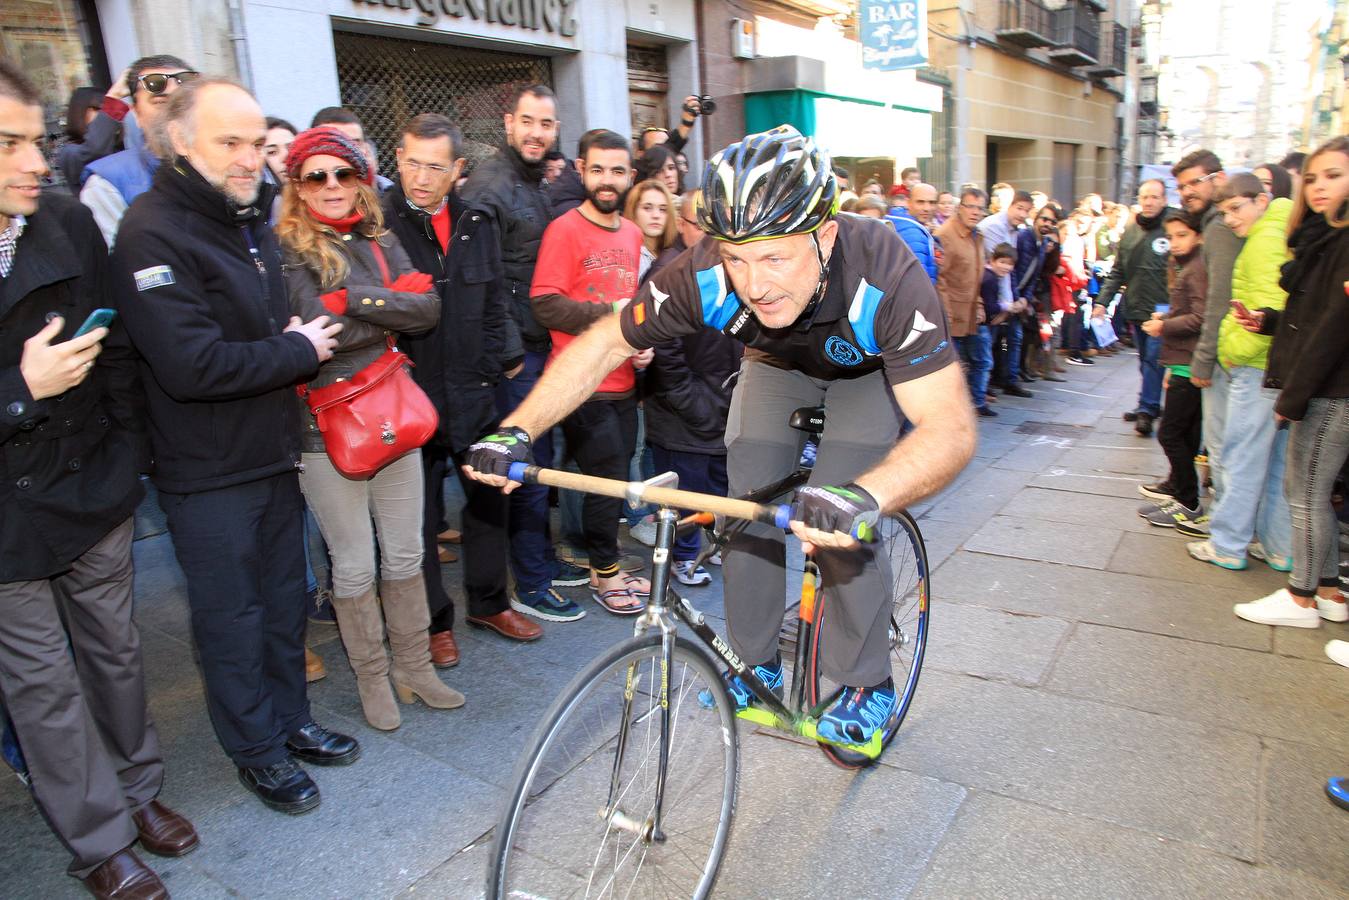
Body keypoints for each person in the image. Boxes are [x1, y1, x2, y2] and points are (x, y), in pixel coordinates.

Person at [465, 125, 974, 747]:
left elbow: (949, 428)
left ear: (827, 235)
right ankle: (753, 658)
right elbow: (606, 342)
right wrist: (517, 430)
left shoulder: (884, 274)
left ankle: (868, 682)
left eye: (776, 257)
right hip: (775, 367)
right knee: (746, 505)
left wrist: (864, 498)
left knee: (842, 522)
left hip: (863, 376)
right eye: (737, 257)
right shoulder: (702, 272)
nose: (754, 284)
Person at [113, 77, 358, 815]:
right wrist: (297, 351)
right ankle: (256, 752)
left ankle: (292, 723)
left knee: (284, 604)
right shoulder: (150, 232)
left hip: (269, 453)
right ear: (180, 141)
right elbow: (192, 365)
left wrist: (284, 345)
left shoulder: (247, 221)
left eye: (256, 143)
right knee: (232, 621)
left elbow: (253, 333)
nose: (250, 157)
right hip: (204, 472)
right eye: (230, 142)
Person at [0, 60, 198, 900]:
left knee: (116, 654)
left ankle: (139, 790)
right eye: (6, 144)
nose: (34, 162)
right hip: (6, 513)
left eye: (35, 140)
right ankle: (100, 840)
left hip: (92, 481)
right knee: (42, 687)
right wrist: (18, 391)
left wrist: (126, 454)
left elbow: (116, 346)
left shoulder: (65, 221)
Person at [277, 126, 465, 731]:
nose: (332, 186)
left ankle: (414, 668)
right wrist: (382, 305)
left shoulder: (380, 237)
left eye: (344, 173)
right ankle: (373, 679)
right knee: (354, 565)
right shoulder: (287, 246)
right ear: (298, 188)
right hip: (323, 427)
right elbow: (315, 334)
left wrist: (347, 300)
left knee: (407, 552)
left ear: (362, 180)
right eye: (317, 176)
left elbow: (430, 310)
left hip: (393, 413)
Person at [382, 115, 541, 654]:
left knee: (487, 498)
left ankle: (491, 603)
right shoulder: (378, 226)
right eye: (412, 163)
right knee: (418, 516)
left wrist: (505, 357)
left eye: (434, 166)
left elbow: (495, 294)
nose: (421, 177)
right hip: (411, 392)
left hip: (476, 388)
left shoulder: (478, 219)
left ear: (457, 170)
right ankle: (434, 623)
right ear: (397, 160)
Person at [462, 85, 587, 625]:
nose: (537, 132)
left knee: (542, 466)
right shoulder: (491, 185)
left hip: (539, 349)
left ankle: (539, 560)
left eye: (547, 124)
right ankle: (531, 584)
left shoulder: (534, 181)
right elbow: (481, 282)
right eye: (528, 122)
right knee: (527, 470)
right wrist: (512, 356)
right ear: (508, 123)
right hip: (517, 358)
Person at [1228, 137, 1349, 632]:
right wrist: (1270, 322)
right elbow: (1315, 314)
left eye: (1334, 175)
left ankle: (1301, 599)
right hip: (1325, 383)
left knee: (1304, 492)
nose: (1319, 187)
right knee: (1308, 490)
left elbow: (1334, 328)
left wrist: (1293, 396)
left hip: (1333, 388)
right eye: (1314, 177)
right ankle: (1326, 592)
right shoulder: (1324, 237)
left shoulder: (1341, 240)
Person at [528, 129, 651, 614]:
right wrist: (607, 317)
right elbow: (544, 304)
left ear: (630, 177)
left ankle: (607, 561)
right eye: (597, 169)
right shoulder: (564, 228)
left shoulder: (633, 233)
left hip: (621, 378)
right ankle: (605, 573)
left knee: (616, 480)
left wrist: (639, 346)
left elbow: (632, 307)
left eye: (617, 170)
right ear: (581, 170)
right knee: (608, 475)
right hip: (578, 382)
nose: (607, 180)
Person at [1185, 173, 1293, 573]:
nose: (1229, 220)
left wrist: (1233, 351)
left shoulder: (1264, 240)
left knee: (1241, 457)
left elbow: (1266, 309)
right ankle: (1279, 548)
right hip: (1273, 367)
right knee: (1275, 462)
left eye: (1235, 209)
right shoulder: (1274, 231)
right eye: (1224, 212)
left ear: (1262, 200)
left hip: (1256, 365)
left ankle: (1228, 544)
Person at [1173, 148, 1242, 537]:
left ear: (1218, 177)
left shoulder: (1218, 225)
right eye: (1181, 186)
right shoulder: (1217, 222)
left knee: (1223, 446)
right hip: (1231, 349)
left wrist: (1203, 360)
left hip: (1227, 354)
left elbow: (1221, 299)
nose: (1186, 192)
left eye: (1193, 182)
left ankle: (1226, 531)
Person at [80, 55, 198, 248]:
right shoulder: (108, 186)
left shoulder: (235, 164)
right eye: (160, 102)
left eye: (184, 103)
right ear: (136, 113)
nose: (175, 112)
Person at [1138, 210, 1207, 526]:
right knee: (1185, 434)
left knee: (1170, 433)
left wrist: (1163, 327)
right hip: (1183, 362)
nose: (1176, 243)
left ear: (1198, 236)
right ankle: (1183, 495)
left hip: (1190, 363)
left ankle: (1188, 501)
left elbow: (1200, 317)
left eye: (1183, 236)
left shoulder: (1198, 267)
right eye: (1172, 237)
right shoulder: (1188, 266)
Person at [1095, 179, 1172, 436]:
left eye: (1154, 197)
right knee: (1144, 360)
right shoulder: (1131, 229)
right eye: (1145, 197)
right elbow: (1118, 271)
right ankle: (1148, 401)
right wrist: (1102, 303)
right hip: (1137, 305)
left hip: (1162, 307)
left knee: (1153, 358)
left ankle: (1147, 410)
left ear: (1164, 199)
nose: (1149, 202)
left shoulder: (1173, 227)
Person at [936, 187, 992, 416]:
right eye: (970, 206)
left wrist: (979, 305)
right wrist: (947, 314)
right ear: (960, 208)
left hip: (972, 312)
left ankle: (976, 403)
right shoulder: (945, 234)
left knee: (983, 361)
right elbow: (940, 279)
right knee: (952, 368)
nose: (975, 212)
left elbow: (976, 275)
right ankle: (948, 412)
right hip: (953, 314)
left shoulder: (978, 235)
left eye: (980, 208)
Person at [978, 189, 1034, 397]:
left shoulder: (1015, 230)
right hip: (990, 294)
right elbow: (999, 268)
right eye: (1019, 208)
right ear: (1009, 206)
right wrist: (1007, 307)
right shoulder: (994, 226)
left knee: (1011, 338)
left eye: (1026, 211)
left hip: (1005, 295)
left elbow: (1010, 269)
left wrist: (1017, 301)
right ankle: (987, 385)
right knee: (991, 343)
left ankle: (1007, 378)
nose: (1022, 214)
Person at [1013, 202, 1060, 382]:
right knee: (1003, 340)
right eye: (1044, 219)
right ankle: (1005, 374)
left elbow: (1035, 274)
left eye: (1052, 222)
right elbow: (1016, 269)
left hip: (1025, 296)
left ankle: (1019, 369)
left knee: (1022, 336)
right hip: (1011, 294)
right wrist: (1017, 297)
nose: (1047, 224)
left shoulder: (1044, 243)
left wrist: (1026, 298)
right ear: (1036, 218)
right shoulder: (1024, 237)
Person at [309, 107, 393, 193]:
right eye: (335, 144)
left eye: (355, 144)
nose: (348, 151)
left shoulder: (394, 196)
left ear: (366, 149)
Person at [976, 243, 1017, 415]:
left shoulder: (989, 275)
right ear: (992, 260)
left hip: (984, 324)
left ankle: (980, 395)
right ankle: (978, 400)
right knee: (984, 362)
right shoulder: (990, 278)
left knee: (981, 361)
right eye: (1002, 262)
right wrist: (1007, 307)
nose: (1006, 267)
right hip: (981, 325)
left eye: (1009, 264)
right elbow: (991, 306)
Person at [887, 182, 940, 285]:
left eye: (932, 203)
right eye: (920, 202)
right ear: (908, 202)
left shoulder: (903, 223)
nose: (927, 208)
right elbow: (918, 282)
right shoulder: (913, 234)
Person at [625, 178, 679, 280]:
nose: (656, 215)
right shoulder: (628, 257)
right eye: (647, 208)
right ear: (633, 211)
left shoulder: (673, 252)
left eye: (663, 209)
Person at [55, 86, 104, 190]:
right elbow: (95, 152)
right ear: (81, 111)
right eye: (99, 108)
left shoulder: (107, 142)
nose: (104, 115)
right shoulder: (71, 152)